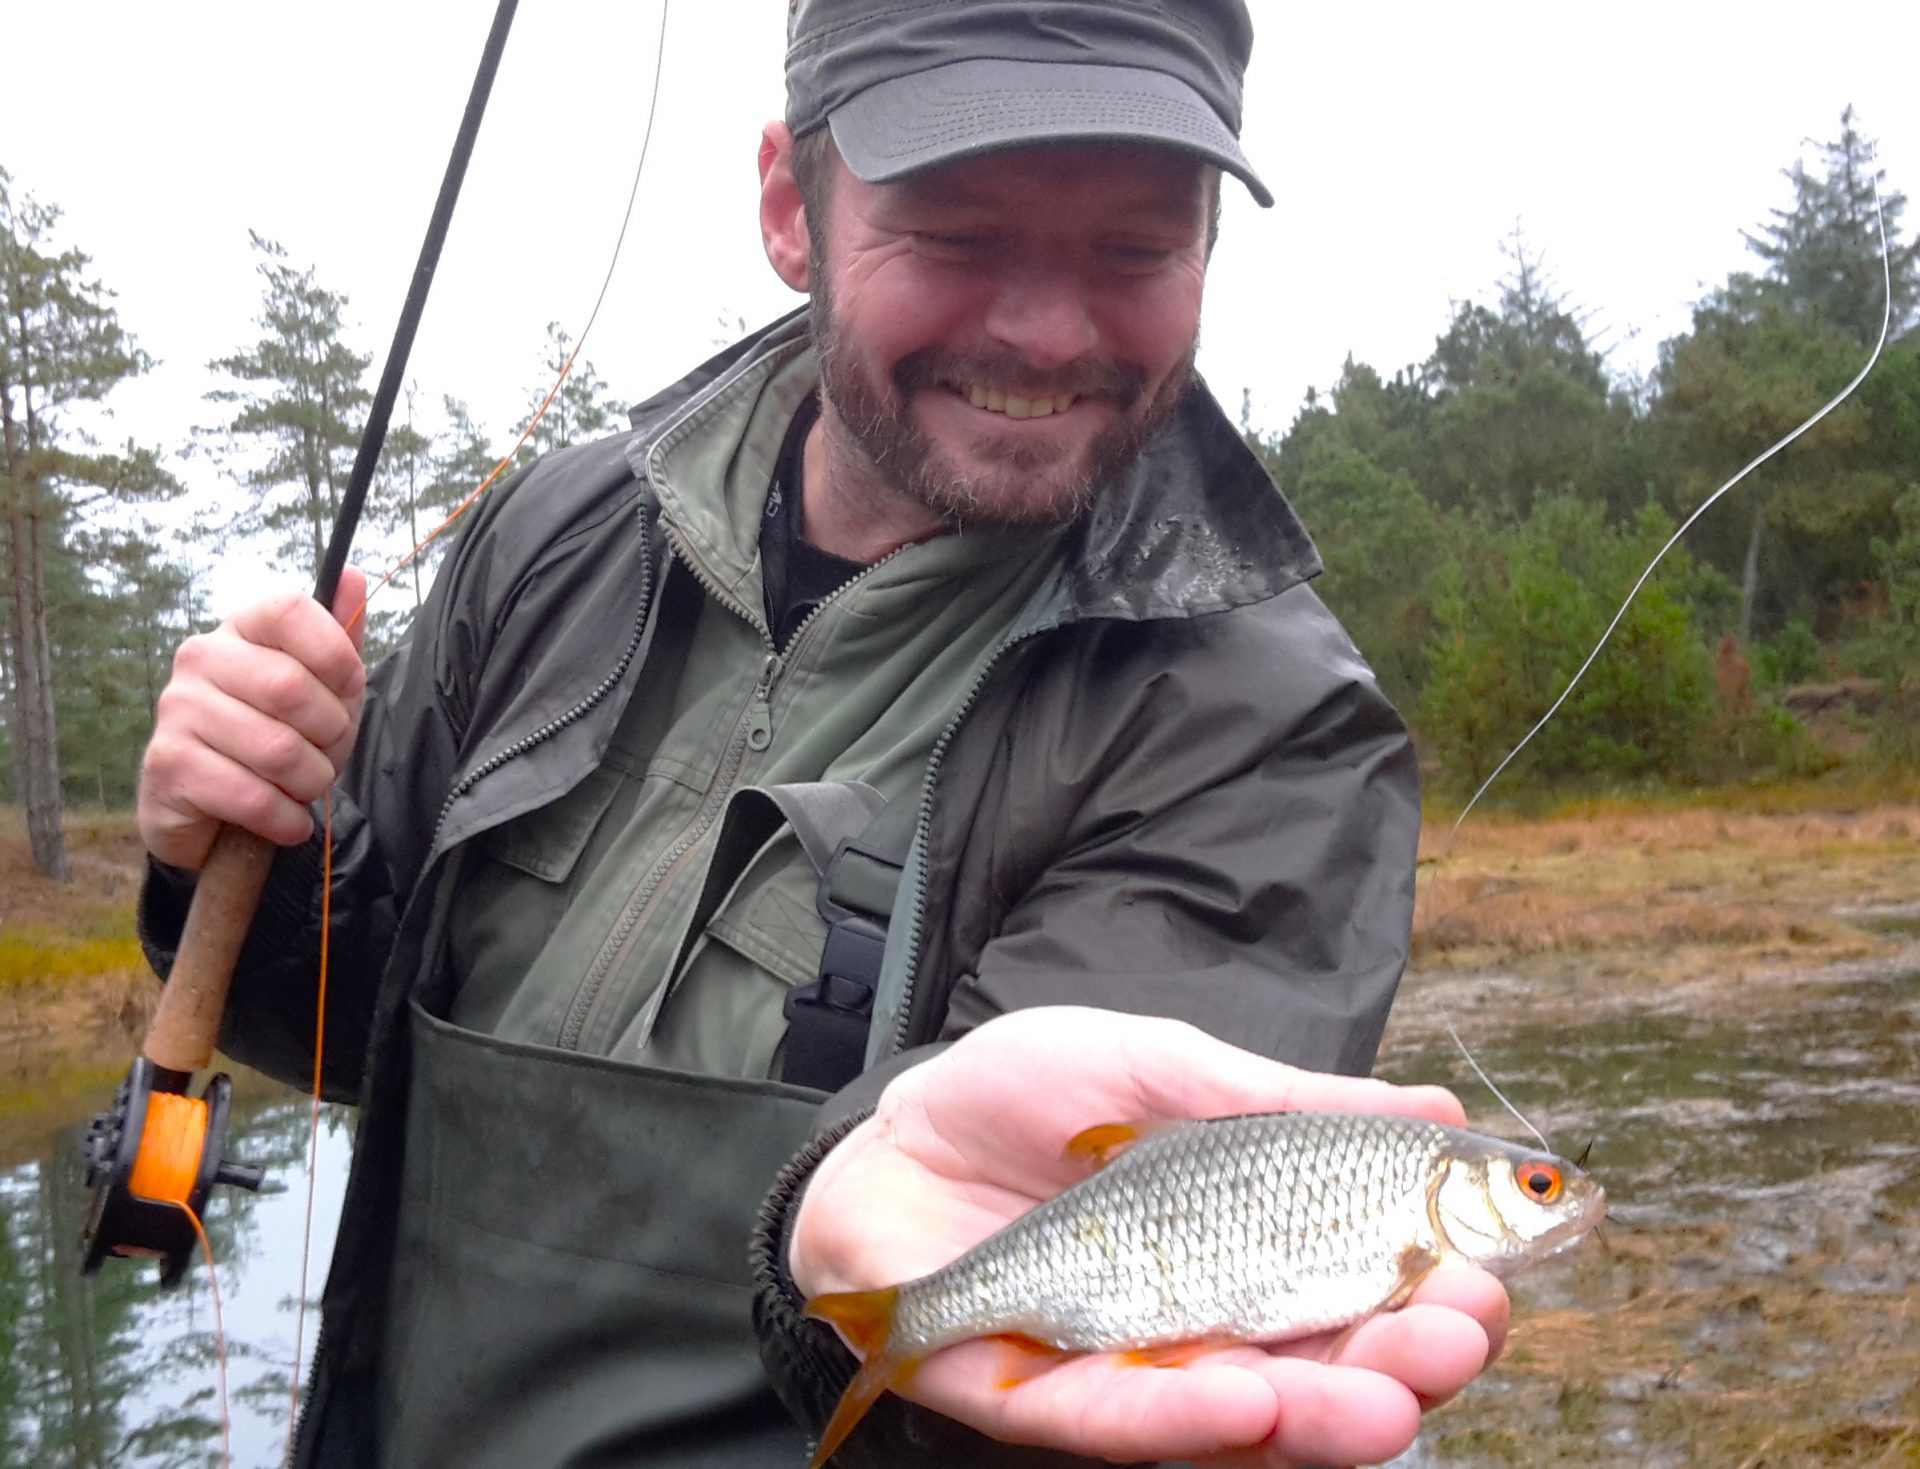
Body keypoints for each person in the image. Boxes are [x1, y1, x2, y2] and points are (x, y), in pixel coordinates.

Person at [135, 2, 1508, 1465]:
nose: (1048, 330)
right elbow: (358, 1029)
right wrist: (252, 850)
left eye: (1135, 246)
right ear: (794, 209)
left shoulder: (1267, 739)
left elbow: (1070, 1371)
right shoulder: (556, 544)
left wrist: (840, 1268)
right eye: (960, 233)